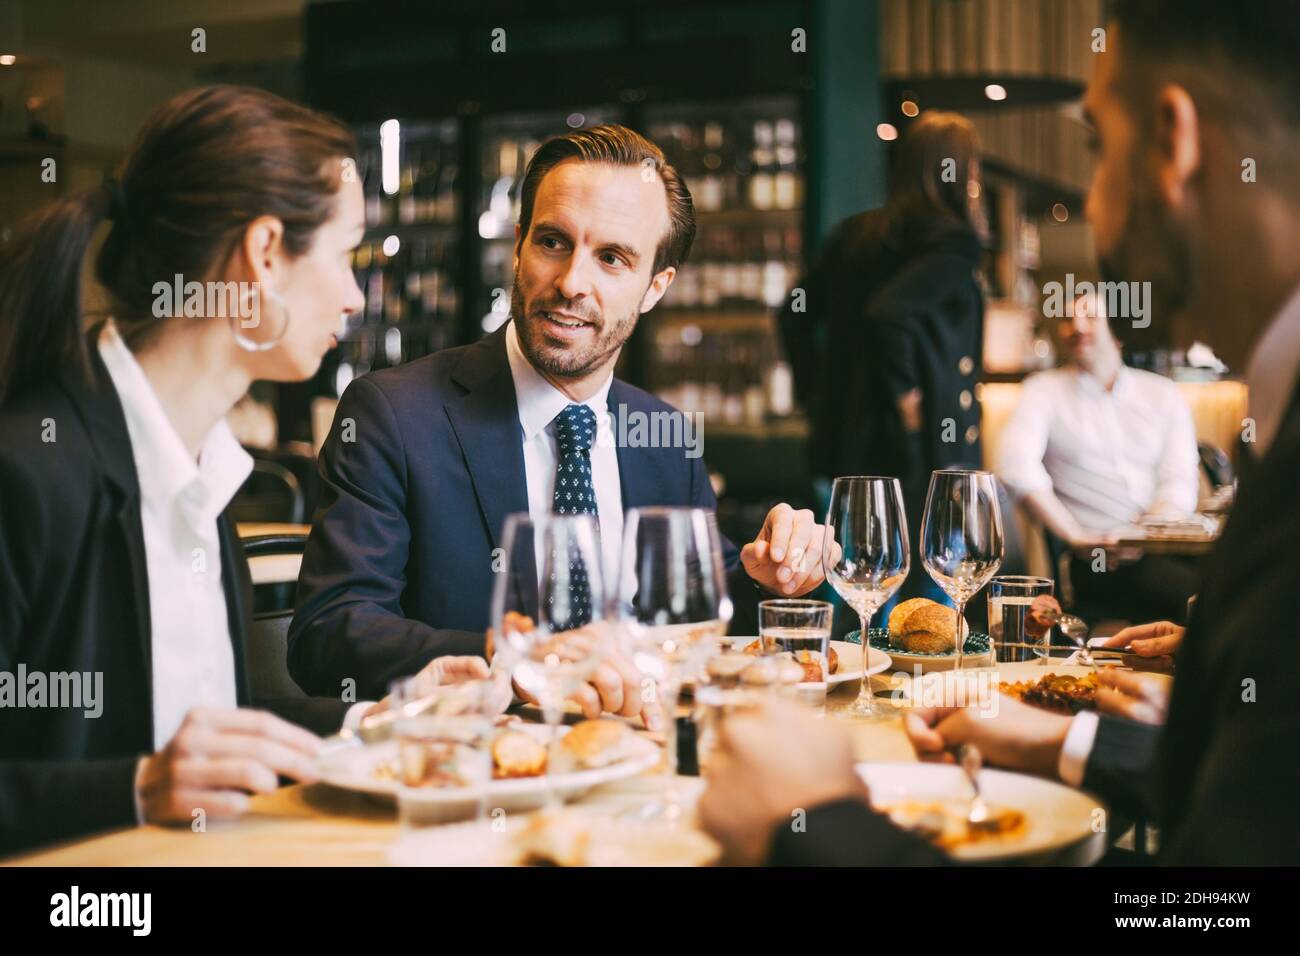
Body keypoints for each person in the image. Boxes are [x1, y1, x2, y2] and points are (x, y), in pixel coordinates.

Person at [700, 0, 1300, 866]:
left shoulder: (857, 238)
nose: (1090, 198)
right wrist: (1067, 744)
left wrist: (815, 826)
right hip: (906, 468)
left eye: (1095, 145)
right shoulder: (946, 251)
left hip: (845, 460)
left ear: (1174, 146)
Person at [0, 85, 485, 855]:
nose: (356, 296)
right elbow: (154, 765)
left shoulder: (199, 474)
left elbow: (202, 725)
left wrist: (387, 718)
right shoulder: (29, 473)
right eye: (344, 254)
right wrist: (137, 787)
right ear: (264, 255)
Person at [289, 124, 833, 715]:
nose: (572, 282)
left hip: (640, 773)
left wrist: (774, 576)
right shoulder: (394, 415)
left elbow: (704, 616)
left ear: (655, 287)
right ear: (518, 245)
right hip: (479, 779)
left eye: (611, 258)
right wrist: (517, 656)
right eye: (552, 242)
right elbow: (329, 635)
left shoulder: (665, 435)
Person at [778, 111, 987, 605]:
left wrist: (818, 394)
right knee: (926, 617)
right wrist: (906, 398)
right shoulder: (952, 242)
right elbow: (888, 313)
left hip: (845, 447)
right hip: (922, 456)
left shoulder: (856, 234)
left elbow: (794, 314)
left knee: (849, 603)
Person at [997, 290, 1202, 622]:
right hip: (1094, 560)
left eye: (1090, 316)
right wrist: (1075, 535)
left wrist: (1148, 534)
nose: (1076, 326)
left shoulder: (1162, 393)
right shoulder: (1043, 391)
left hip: (1163, 549)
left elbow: (1178, 480)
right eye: (1067, 319)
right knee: (1203, 596)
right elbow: (1015, 468)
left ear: (1117, 329)